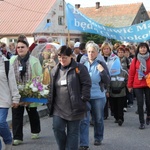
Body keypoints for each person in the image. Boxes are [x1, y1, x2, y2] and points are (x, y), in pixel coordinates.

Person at [47, 45, 91, 150]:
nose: (62, 60)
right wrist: (49, 101)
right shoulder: (55, 70)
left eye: (64, 57)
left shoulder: (79, 68)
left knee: (73, 133)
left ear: (71, 56)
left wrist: (83, 98)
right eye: (60, 57)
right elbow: (51, 86)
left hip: (75, 107)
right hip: (58, 108)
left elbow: (86, 83)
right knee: (57, 128)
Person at [10, 38, 43, 145]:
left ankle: (35, 131)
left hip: (30, 92)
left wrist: (34, 90)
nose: (20, 49)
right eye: (18, 47)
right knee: (16, 114)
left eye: (22, 47)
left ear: (27, 48)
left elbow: (39, 76)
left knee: (32, 112)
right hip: (17, 93)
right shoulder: (12, 60)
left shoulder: (34, 60)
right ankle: (17, 137)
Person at [79, 41, 110, 149]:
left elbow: (107, 80)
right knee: (84, 120)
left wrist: (102, 72)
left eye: (93, 52)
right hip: (85, 96)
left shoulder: (101, 64)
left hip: (98, 96)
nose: (91, 54)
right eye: (89, 52)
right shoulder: (82, 65)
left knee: (98, 118)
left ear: (97, 53)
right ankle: (83, 143)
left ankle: (98, 138)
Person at [128, 42, 150, 129]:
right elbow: (131, 73)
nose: (143, 49)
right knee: (140, 103)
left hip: (148, 83)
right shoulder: (135, 60)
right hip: (138, 84)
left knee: (148, 102)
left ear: (147, 48)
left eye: (144, 47)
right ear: (138, 49)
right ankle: (141, 122)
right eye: (141, 48)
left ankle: (148, 116)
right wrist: (129, 85)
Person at [0, 54, 20, 150]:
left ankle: (8, 140)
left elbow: (12, 82)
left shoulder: (6, 63)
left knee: (1, 122)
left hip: (3, 100)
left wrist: (15, 98)